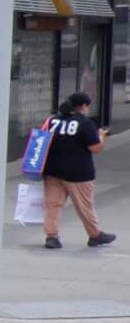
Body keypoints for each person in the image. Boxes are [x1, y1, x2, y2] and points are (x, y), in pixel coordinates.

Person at [40, 93, 113, 251]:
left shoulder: (52, 120)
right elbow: (95, 148)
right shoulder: (85, 123)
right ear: (83, 106)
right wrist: (101, 136)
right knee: (85, 206)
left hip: (52, 170)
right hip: (78, 173)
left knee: (53, 205)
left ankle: (52, 237)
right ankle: (95, 235)